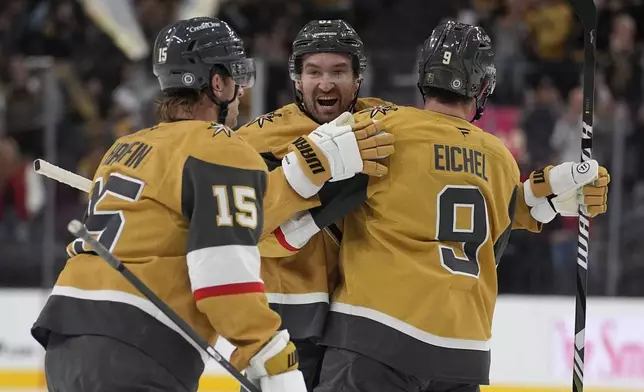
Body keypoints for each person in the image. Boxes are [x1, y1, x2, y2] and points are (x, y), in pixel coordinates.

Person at [30, 17, 394, 392]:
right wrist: (271, 356)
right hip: (137, 340)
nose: (241, 92)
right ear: (218, 83)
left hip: (65, 338)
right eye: (236, 77)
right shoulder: (220, 148)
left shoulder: (125, 147)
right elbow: (222, 273)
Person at [310, 21, 610, 392]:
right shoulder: (499, 157)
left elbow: (309, 202)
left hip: (376, 333)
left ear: (423, 74)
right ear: (483, 86)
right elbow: (496, 237)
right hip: (463, 350)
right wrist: (543, 195)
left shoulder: (381, 129)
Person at [235, 19, 394, 391]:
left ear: (358, 79)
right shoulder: (254, 139)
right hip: (283, 320)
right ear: (297, 79)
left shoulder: (384, 124)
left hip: (362, 321)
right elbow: (237, 227)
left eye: (339, 71)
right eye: (314, 72)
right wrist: (300, 225)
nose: (325, 83)